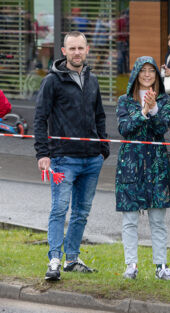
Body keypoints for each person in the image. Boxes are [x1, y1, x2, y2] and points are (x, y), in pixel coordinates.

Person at [34, 31, 109, 281]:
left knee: (81, 212)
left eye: (81, 48)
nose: (77, 52)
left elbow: (100, 115)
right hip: (63, 159)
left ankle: (72, 259)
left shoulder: (93, 80)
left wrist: (103, 146)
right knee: (59, 209)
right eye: (72, 48)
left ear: (87, 50)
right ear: (64, 51)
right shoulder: (52, 81)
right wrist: (42, 153)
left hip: (91, 160)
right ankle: (54, 259)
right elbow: (39, 118)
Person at [115, 56, 170, 280]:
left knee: (158, 220)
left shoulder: (165, 100)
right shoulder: (124, 101)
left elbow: (162, 129)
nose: (148, 74)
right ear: (136, 74)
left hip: (157, 166)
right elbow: (125, 128)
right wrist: (142, 112)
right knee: (130, 219)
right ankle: (131, 265)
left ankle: (161, 266)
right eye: (143, 70)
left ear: (156, 75)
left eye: (151, 70)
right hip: (130, 165)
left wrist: (153, 109)